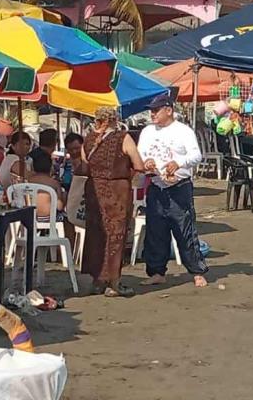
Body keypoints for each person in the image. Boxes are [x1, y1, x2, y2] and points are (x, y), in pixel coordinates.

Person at [137, 94, 209, 288]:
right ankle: (157, 271)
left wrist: (178, 162)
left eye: (156, 110)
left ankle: (197, 271)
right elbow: (141, 153)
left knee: (184, 230)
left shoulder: (183, 131)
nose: (152, 114)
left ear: (168, 110)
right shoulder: (147, 131)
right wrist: (147, 162)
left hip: (179, 186)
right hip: (156, 184)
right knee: (155, 230)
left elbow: (196, 155)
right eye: (151, 110)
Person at [79, 107, 144, 297]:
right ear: (115, 120)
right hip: (117, 192)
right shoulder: (123, 138)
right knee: (116, 234)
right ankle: (114, 282)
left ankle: (97, 279)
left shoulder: (88, 140)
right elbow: (138, 165)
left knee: (96, 233)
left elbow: (85, 165)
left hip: (93, 191)